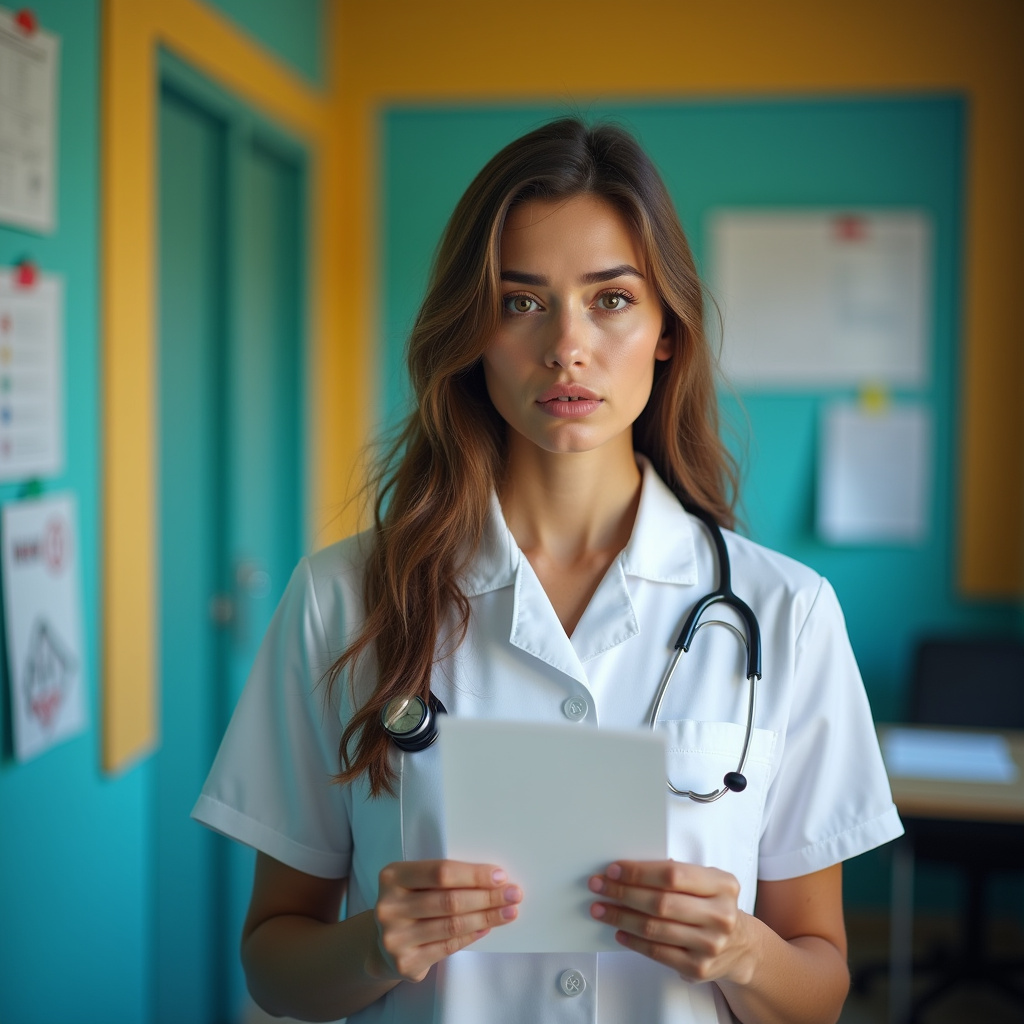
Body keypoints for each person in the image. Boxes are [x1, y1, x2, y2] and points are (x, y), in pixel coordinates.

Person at [193, 117, 903, 1024]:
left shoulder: (787, 611)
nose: (567, 346)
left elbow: (819, 991)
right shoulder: (342, 599)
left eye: (611, 300)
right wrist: (374, 945)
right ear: (472, 332)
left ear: (667, 332)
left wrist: (744, 952)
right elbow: (273, 967)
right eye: (521, 301)